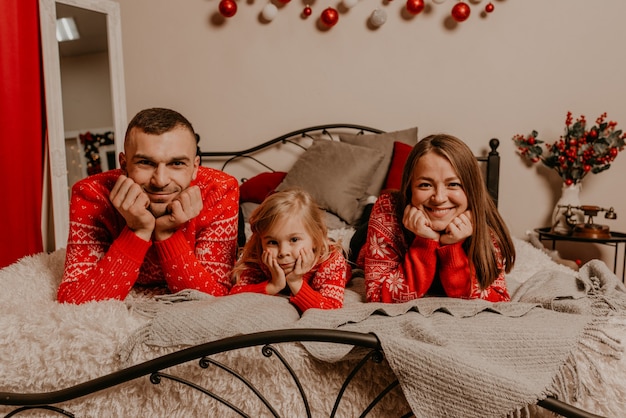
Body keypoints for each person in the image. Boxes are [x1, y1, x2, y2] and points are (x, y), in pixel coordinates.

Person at [57, 108, 240, 304]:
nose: (160, 181)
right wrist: (137, 231)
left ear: (195, 167)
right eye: (145, 162)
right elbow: (73, 300)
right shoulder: (90, 194)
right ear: (124, 164)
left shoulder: (220, 190)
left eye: (176, 163)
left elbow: (215, 299)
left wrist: (167, 232)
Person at [357, 133, 515, 303]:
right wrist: (425, 242)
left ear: (472, 190)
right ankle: (367, 207)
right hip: (364, 238)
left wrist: (453, 247)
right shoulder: (388, 209)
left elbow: (498, 300)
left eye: (453, 184)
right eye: (425, 185)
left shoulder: (484, 222)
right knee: (364, 224)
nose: (439, 198)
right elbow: (378, 295)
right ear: (410, 189)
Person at [230, 188, 349, 312]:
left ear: (315, 238)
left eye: (294, 239)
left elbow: (331, 307)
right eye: (272, 242)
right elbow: (235, 294)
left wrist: (296, 282)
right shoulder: (259, 256)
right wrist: (274, 285)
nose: (283, 252)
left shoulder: (331, 261)